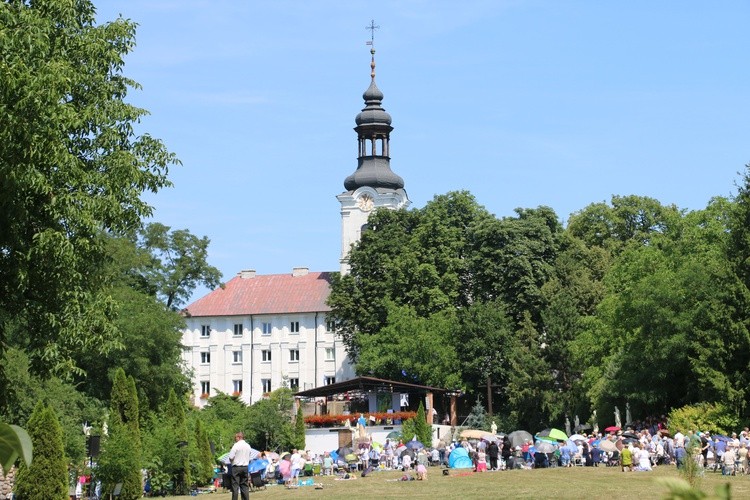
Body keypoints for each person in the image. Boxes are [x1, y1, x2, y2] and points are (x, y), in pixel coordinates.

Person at [228, 432, 251, 500]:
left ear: (239, 437)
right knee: (245, 486)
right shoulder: (248, 446)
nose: (235, 439)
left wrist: (232, 461)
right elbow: (249, 456)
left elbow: (231, 457)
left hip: (236, 467)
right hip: (245, 467)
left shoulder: (236, 445)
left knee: (235, 486)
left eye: (235, 437)